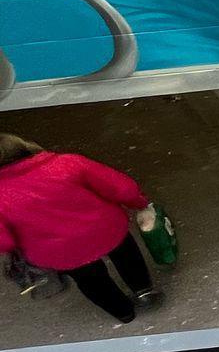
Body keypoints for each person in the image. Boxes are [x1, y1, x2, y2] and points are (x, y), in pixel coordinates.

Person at [0, 133, 161, 323]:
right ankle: (144, 292)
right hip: (104, 228)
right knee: (126, 255)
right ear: (22, 145)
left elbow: (5, 241)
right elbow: (121, 188)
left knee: (91, 280)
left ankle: (123, 312)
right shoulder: (66, 163)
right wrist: (139, 203)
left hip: (59, 250)